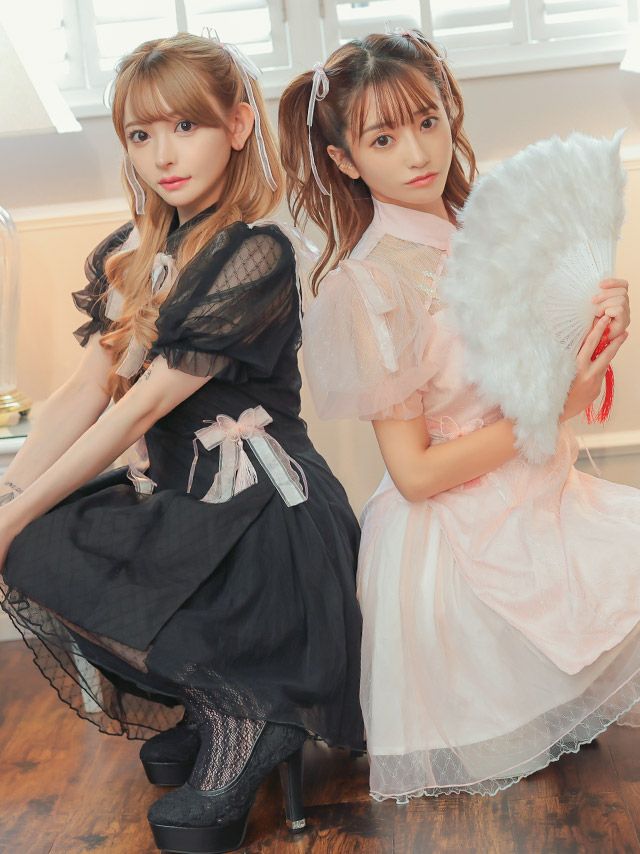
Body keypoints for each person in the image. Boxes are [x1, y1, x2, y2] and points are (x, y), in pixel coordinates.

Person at [0, 33, 363, 853]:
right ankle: (216, 699)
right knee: (39, 538)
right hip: (185, 497)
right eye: (141, 134)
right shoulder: (142, 252)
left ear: (238, 125)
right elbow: (83, 391)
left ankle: (251, 717)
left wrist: (11, 518)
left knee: (31, 530)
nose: (162, 155)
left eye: (185, 127)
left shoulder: (255, 252)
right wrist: (11, 499)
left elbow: (133, 414)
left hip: (264, 516)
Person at [279, 29, 637, 803]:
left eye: (428, 121)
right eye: (383, 138)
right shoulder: (370, 287)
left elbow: (538, 367)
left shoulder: (488, 227)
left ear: (450, 115)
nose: (418, 152)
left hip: (539, 490)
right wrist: (552, 409)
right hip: (454, 536)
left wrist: (602, 326)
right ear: (345, 160)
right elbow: (414, 474)